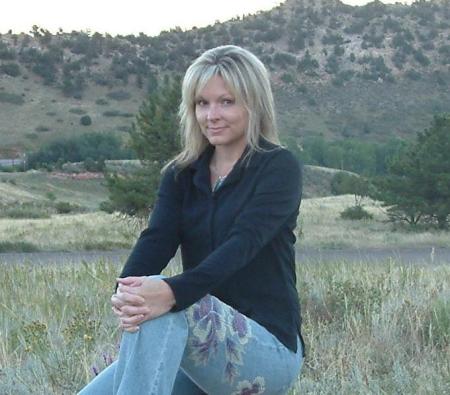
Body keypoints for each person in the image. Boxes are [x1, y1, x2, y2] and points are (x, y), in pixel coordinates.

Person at [79, 44, 304, 395]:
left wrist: (169, 293)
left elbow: (242, 245)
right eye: (202, 103)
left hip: (266, 352)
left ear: (253, 104)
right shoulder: (181, 175)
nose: (211, 114)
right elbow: (156, 241)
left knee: (170, 303)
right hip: (196, 350)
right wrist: (126, 292)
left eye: (226, 102)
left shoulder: (278, 167)